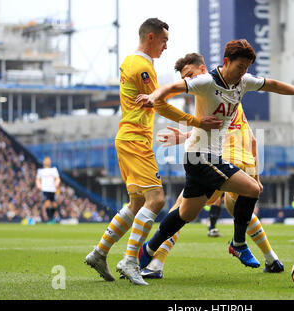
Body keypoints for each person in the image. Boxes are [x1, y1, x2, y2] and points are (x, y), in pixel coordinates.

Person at [136, 39, 294, 274]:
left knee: (185, 213)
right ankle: (239, 244)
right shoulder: (206, 82)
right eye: (240, 66)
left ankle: (149, 249)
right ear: (226, 62)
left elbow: (272, 84)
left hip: (204, 158)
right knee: (253, 189)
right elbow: (171, 88)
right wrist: (153, 97)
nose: (243, 72)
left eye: (246, 67)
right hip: (202, 156)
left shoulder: (243, 82)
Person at [84, 18, 222, 285]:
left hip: (128, 138)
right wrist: (197, 121)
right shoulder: (142, 66)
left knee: (137, 204)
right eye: (164, 41)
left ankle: (100, 252)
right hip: (136, 139)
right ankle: (130, 260)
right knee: (157, 200)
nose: (166, 46)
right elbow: (160, 105)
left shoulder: (128, 62)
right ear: (150, 37)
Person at [35, 156, 60, 224]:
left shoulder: (54, 170)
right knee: (47, 203)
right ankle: (50, 219)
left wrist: (56, 184)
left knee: (54, 204)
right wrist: (39, 186)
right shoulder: (40, 171)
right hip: (45, 189)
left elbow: (57, 178)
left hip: (52, 189)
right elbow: (37, 179)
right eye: (46, 160)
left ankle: (52, 217)